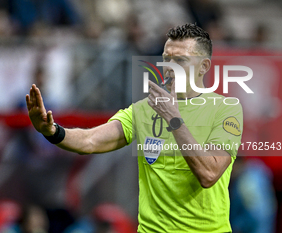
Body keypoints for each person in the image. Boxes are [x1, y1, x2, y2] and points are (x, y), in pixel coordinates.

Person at [26, 23, 243, 232]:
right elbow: (90, 140)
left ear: (203, 66)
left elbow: (209, 174)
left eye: (180, 60)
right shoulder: (143, 110)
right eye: (167, 59)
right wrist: (53, 132)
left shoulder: (226, 110)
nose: (169, 67)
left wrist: (174, 119)